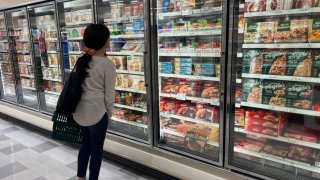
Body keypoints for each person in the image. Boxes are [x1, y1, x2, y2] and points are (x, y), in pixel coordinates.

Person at [73, 24, 116, 180]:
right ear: (104, 42)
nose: (109, 40)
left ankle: (80, 177)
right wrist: (108, 114)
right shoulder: (107, 64)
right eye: (108, 37)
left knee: (85, 146)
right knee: (96, 151)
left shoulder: (81, 60)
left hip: (80, 112)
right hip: (97, 113)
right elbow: (109, 95)